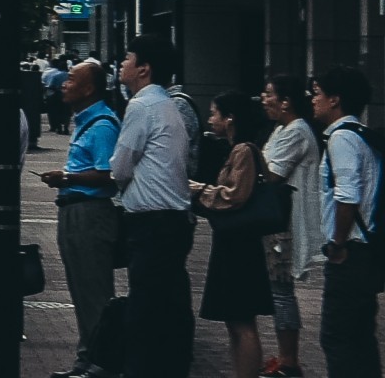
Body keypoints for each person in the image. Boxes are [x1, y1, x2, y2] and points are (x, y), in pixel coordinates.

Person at [109, 36, 200, 378]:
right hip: (174, 220)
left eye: (128, 58)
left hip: (152, 223)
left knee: (145, 311)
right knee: (170, 306)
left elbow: (120, 167)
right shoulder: (168, 105)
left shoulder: (142, 106)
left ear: (144, 69)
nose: (122, 63)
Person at [42, 60, 126, 378]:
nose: (65, 83)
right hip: (75, 212)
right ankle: (86, 358)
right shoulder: (86, 120)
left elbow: (108, 174)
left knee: (94, 294)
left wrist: (66, 177)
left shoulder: (103, 125)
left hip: (89, 214)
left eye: (72, 79)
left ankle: (101, 363)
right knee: (81, 291)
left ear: (89, 88)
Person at [196, 90, 284, 378]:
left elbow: (235, 195)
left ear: (230, 118)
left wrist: (200, 190)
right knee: (235, 320)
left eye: (214, 113)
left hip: (239, 245)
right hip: (236, 243)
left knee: (241, 320)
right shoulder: (241, 149)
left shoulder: (244, 150)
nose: (210, 119)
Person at [317, 67, 381, 378]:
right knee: (360, 337)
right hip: (367, 249)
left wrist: (337, 245)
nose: (312, 99)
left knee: (337, 337)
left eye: (317, 92)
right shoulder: (362, 136)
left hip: (351, 252)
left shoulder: (341, 138)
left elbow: (347, 196)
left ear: (335, 100)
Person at [273, 78, 327, 378]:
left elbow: (271, 174)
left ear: (286, 101)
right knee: (279, 291)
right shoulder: (284, 130)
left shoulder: (296, 132)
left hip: (287, 225)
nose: (264, 99)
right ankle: (284, 358)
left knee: (281, 291)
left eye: (270, 94)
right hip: (280, 221)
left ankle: (289, 361)